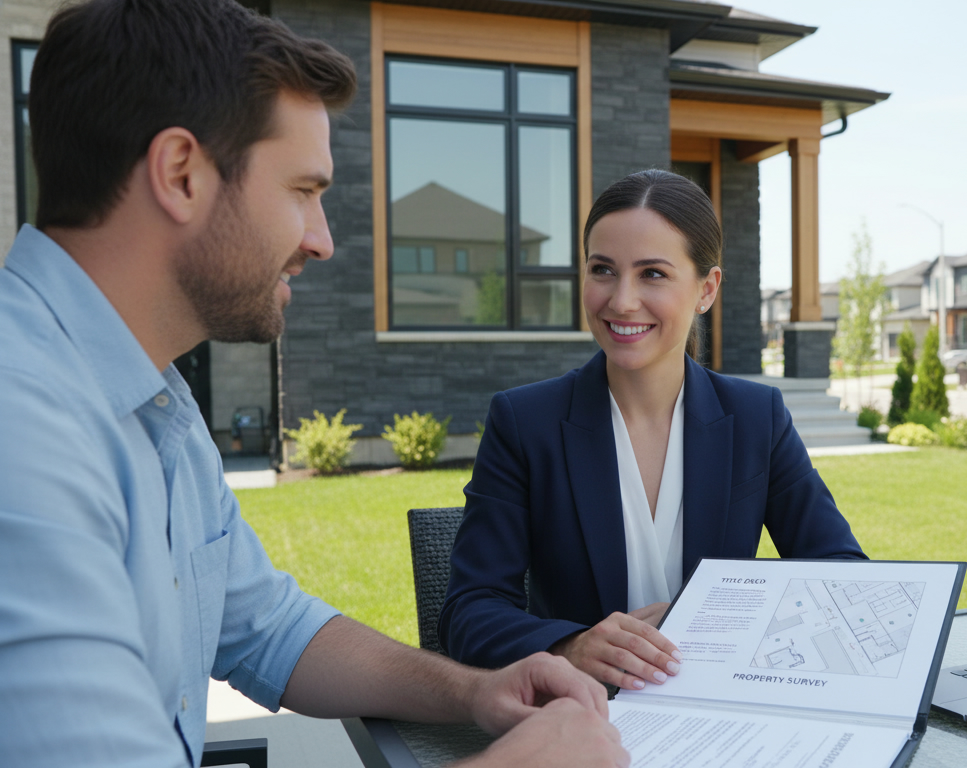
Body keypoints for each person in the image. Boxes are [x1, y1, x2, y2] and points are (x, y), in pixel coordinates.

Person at [0, 2, 626, 767]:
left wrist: (471, 691)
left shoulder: (153, 400)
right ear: (181, 174)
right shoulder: (21, 425)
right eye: (303, 190)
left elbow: (269, 627)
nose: (322, 241)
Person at [440, 170, 866, 691]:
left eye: (653, 274)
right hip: (583, 721)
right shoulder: (524, 423)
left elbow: (843, 576)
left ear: (706, 290)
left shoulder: (759, 418)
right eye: (603, 270)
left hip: (725, 717)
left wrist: (727, 620)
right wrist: (570, 646)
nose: (621, 301)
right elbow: (469, 612)